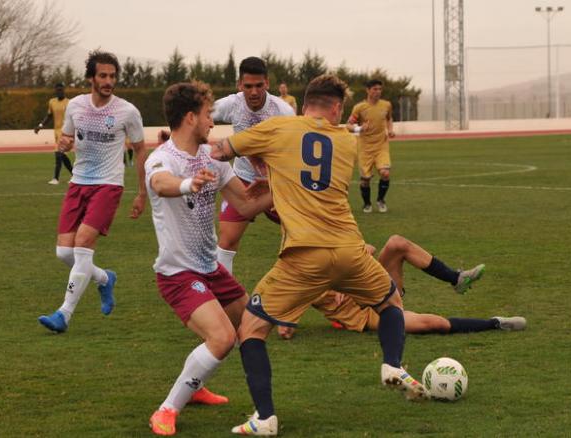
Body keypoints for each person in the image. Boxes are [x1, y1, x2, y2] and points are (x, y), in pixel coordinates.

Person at [211, 74, 427, 436]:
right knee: (391, 302)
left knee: (251, 329)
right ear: (338, 108)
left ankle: (264, 419)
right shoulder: (346, 142)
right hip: (350, 250)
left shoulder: (278, 128)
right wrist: (277, 172)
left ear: (305, 100)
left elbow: (221, 151)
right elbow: (312, 175)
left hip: (304, 255)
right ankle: (392, 364)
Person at [145, 81, 273, 436]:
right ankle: (166, 409)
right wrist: (189, 184)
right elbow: (160, 184)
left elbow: (246, 204)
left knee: (252, 326)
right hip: (178, 274)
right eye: (207, 115)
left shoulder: (212, 159)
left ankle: (200, 384)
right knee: (222, 338)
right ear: (190, 117)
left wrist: (281, 189)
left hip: (210, 269)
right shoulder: (163, 157)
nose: (211, 123)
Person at [37, 51, 148, 333]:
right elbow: (68, 136)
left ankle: (64, 314)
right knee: (64, 253)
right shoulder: (76, 106)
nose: (109, 81)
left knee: (83, 245)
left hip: (108, 185)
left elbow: (140, 149)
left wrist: (141, 193)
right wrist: (64, 143)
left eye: (112, 76)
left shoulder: (127, 111)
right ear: (91, 78)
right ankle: (104, 279)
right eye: (103, 76)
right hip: (78, 183)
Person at [157, 57, 293, 274]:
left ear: (267, 83)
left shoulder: (283, 112)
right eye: (248, 86)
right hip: (241, 179)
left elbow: (293, 152)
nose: (254, 92)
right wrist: (173, 133)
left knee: (302, 234)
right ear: (240, 85)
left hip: (276, 181)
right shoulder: (232, 104)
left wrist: (277, 182)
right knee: (227, 240)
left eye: (259, 85)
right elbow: (196, 113)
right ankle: (224, 293)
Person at [276, 235, 526, 340]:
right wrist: (285, 324)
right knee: (432, 324)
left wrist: (341, 276)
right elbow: (284, 326)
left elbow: (369, 249)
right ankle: (495, 322)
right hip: (369, 315)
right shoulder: (298, 273)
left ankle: (456, 279)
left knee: (397, 244)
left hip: (377, 286)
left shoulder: (329, 241)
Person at [346, 79, 395, 213]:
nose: (378, 92)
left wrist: (390, 130)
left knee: (385, 173)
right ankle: (367, 204)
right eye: (375, 89)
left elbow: (389, 118)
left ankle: (380, 200)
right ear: (368, 90)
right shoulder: (359, 107)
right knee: (365, 179)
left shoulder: (386, 105)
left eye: (380, 89)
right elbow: (348, 126)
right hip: (365, 148)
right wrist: (360, 128)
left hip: (381, 146)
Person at [35, 82, 73, 185]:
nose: (59, 91)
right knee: (62, 156)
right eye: (57, 90)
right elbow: (49, 116)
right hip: (56, 132)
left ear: (64, 90)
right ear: (55, 91)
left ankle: (56, 178)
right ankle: (75, 176)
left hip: (66, 133)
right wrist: (40, 126)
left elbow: (74, 118)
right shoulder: (52, 102)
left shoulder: (70, 103)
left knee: (58, 155)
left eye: (61, 90)